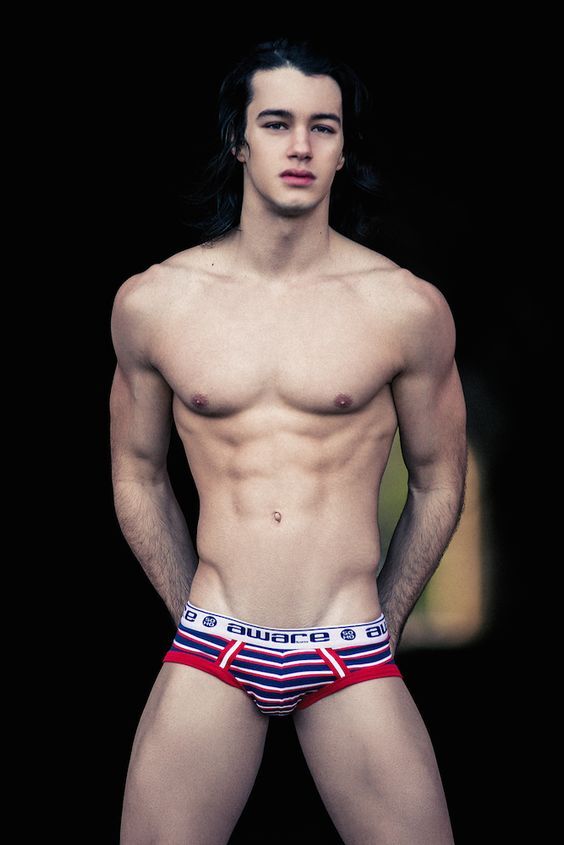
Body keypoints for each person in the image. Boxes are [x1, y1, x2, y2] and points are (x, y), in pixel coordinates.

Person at [110, 36, 466, 845]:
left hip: (349, 644)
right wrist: (188, 616)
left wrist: (385, 624)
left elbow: (439, 479)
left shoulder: (404, 308)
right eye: (276, 123)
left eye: (323, 128)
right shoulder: (155, 304)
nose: (300, 146)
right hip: (214, 638)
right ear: (239, 139)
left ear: (343, 150)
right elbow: (136, 473)